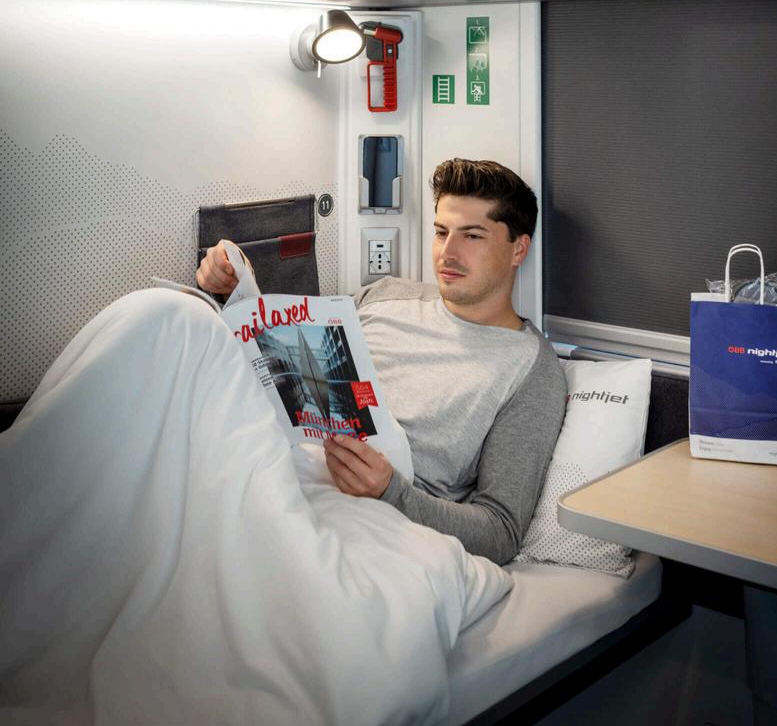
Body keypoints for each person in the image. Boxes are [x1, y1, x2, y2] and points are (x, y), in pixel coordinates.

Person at [197, 157, 566, 565]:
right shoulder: (385, 296)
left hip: (373, 519)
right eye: (441, 232)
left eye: (472, 236)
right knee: (172, 314)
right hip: (280, 462)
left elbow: (500, 532)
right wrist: (235, 289)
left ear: (518, 249)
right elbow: (293, 351)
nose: (448, 252)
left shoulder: (530, 368)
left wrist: (391, 491)